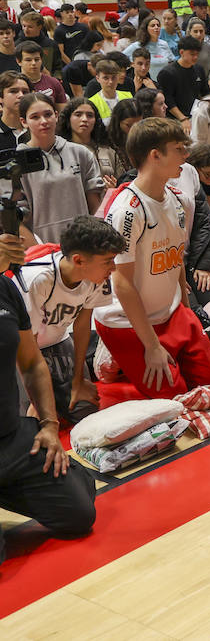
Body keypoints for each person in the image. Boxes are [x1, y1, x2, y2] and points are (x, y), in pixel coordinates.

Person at [94, 117, 210, 399]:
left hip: (170, 311)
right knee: (173, 397)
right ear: (155, 155)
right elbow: (122, 283)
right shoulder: (127, 210)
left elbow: (176, 258)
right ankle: (111, 355)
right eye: (179, 148)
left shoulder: (179, 199)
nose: (186, 156)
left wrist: (187, 312)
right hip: (127, 321)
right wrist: (151, 345)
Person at [0, 227, 97, 561]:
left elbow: (32, 363)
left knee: (79, 516)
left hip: (10, 437)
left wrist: (50, 425)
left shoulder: (5, 288)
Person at [14, 215, 123, 427]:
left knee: (84, 410)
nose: (114, 268)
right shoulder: (38, 279)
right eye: (108, 261)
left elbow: (82, 325)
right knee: (33, 421)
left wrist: (78, 379)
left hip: (56, 340)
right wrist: (38, 400)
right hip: (20, 347)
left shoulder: (96, 277)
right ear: (79, 260)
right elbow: (28, 346)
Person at [12, 92, 104, 245]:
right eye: (35, 117)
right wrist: (40, 254)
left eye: (48, 114)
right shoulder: (16, 164)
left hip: (84, 246)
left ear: (56, 115)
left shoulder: (81, 153)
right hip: (42, 252)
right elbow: (17, 219)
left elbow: (95, 206)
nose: (43, 121)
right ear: (24, 122)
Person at [58, 97, 119, 187]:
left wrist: (115, 188)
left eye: (90, 115)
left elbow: (122, 183)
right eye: (78, 115)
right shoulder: (60, 151)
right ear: (68, 119)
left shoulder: (107, 151)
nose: (84, 119)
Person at [157, 35, 209, 128]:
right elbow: (168, 100)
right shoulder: (167, 73)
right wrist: (183, 119)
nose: (196, 57)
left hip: (195, 115)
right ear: (181, 52)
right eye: (192, 54)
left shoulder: (199, 69)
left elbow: (205, 92)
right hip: (174, 119)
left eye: (197, 54)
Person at [17, 41, 66, 105]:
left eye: (37, 59)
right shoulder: (13, 84)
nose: (33, 63)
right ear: (19, 61)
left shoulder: (54, 83)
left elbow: (62, 112)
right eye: (28, 60)